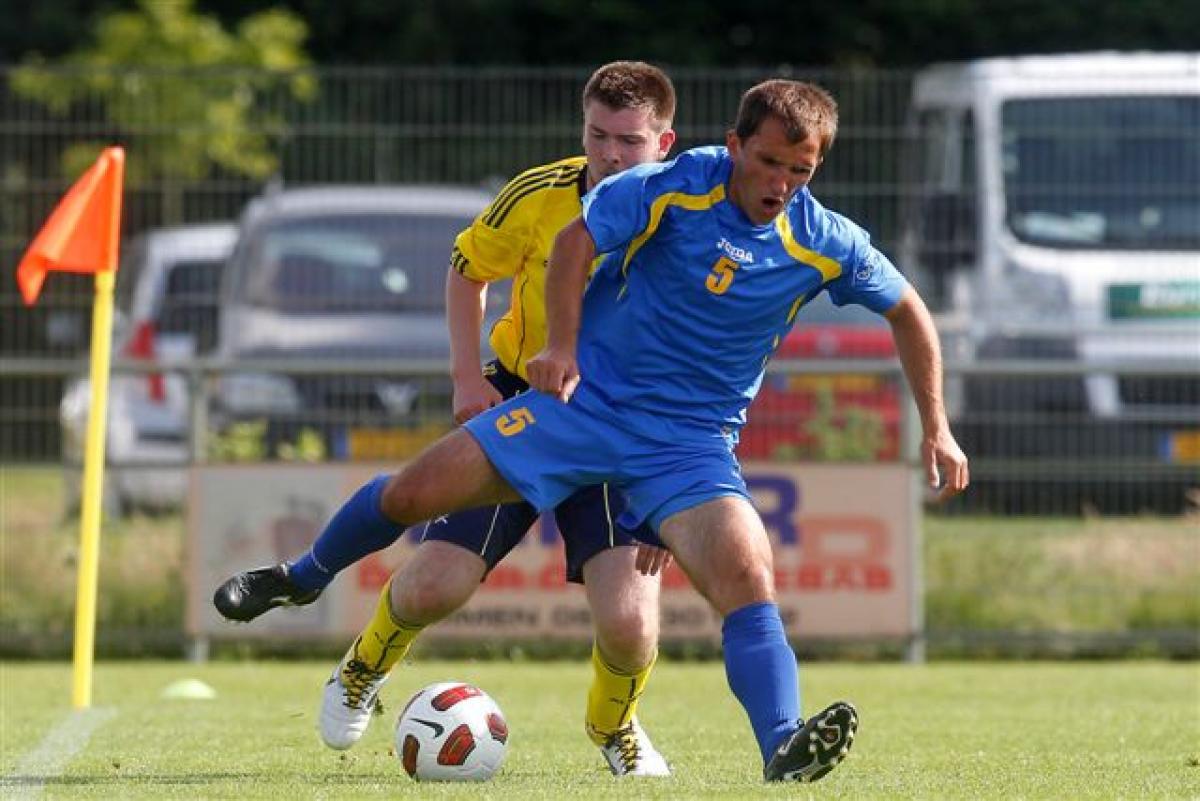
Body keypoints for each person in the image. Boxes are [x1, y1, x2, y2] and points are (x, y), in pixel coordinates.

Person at [233, 77, 969, 784]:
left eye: (800, 170)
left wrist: (937, 425)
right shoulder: (676, 185)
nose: (781, 182)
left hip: (688, 444)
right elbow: (576, 242)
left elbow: (908, 309)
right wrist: (559, 349)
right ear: (734, 144)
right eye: (770, 161)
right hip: (584, 406)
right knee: (412, 494)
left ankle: (781, 742)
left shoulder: (825, 239)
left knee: (740, 579)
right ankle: (303, 577)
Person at [213, 61, 679, 776]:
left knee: (629, 622)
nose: (611, 154)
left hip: (623, 425)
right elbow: (468, 270)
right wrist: (467, 375)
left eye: (629, 141)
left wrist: (676, 484)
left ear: (664, 142)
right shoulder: (538, 194)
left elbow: (702, 351)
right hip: (526, 402)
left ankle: (614, 726)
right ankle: (361, 667)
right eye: (597, 135)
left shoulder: (687, 216)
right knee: (434, 584)